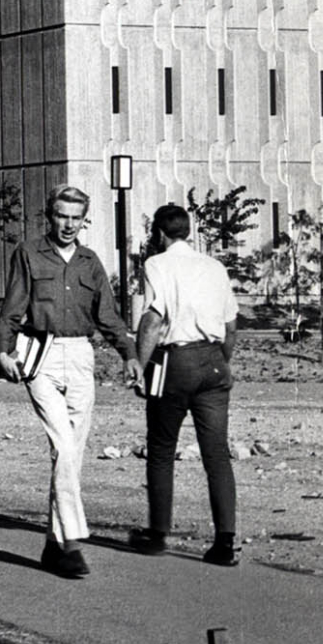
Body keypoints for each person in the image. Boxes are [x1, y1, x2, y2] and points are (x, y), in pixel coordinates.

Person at [0, 186, 140, 579]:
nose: (68, 225)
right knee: (62, 443)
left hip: (80, 356)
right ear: (49, 216)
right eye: (62, 216)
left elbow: (107, 315)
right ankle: (72, 545)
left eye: (76, 218)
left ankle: (51, 544)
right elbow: (12, 308)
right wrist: (3, 351)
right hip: (40, 355)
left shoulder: (91, 262)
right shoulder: (28, 252)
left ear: (84, 220)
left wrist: (129, 354)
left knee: (71, 451)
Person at [131, 204, 241, 566]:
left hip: (173, 361)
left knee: (162, 449)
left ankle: (158, 532)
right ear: (189, 231)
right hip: (212, 361)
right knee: (217, 454)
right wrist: (221, 361)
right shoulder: (214, 267)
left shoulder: (157, 265)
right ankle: (225, 541)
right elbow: (230, 325)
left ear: (159, 234)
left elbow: (152, 319)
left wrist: (139, 365)